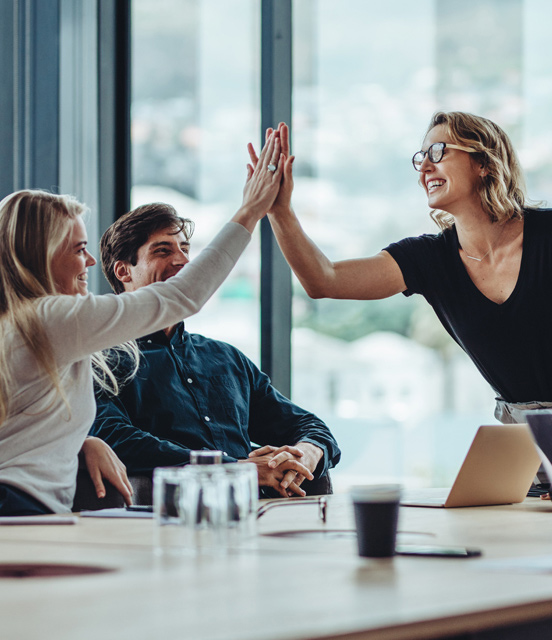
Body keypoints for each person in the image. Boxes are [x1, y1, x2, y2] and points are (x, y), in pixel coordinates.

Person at [0, 131, 284, 516]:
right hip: (18, 511)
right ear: (42, 254)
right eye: (78, 249)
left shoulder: (20, 324)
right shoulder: (50, 318)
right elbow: (183, 296)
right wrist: (250, 211)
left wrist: (83, 442)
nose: (90, 263)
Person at [250, 114, 552, 427]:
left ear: (483, 163)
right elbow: (324, 280)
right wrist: (279, 210)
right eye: (421, 158)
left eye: (439, 152)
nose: (425, 167)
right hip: (523, 439)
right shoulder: (430, 258)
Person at [90, 203, 340, 499]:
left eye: (184, 249)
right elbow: (115, 438)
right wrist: (233, 468)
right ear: (124, 271)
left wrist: (306, 453)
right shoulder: (100, 360)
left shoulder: (226, 357)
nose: (183, 261)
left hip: (259, 515)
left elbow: (308, 425)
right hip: (169, 518)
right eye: (163, 251)